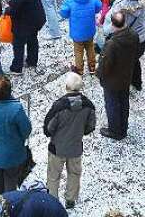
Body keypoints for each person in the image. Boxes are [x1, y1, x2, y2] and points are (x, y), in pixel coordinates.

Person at [42, 72, 96, 208]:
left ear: (66, 86)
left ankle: (52, 201)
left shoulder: (59, 106)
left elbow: (48, 128)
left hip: (57, 148)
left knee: (53, 176)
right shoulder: (89, 106)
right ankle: (71, 199)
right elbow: (90, 127)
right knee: (74, 173)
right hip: (76, 147)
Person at [97, 10, 138, 140]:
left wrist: (99, 74)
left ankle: (115, 131)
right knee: (124, 102)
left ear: (113, 25)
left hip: (112, 80)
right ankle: (123, 128)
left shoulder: (112, 44)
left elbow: (105, 65)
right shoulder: (133, 35)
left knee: (112, 105)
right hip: (126, 76)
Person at [59, 0, 102, 76]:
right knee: (90, 48)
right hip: (89, 28)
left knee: (78, 51)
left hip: (77, 30)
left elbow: (63, 13)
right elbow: (98, 7)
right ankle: (92, 68)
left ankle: (80, 70)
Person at [6, 0, 45, 75]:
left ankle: (16, 68)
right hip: (36, 19)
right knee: (33, 40)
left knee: (18, 44)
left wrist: (7, 10)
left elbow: (13, 8)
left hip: (23, 23)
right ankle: (32, 61)